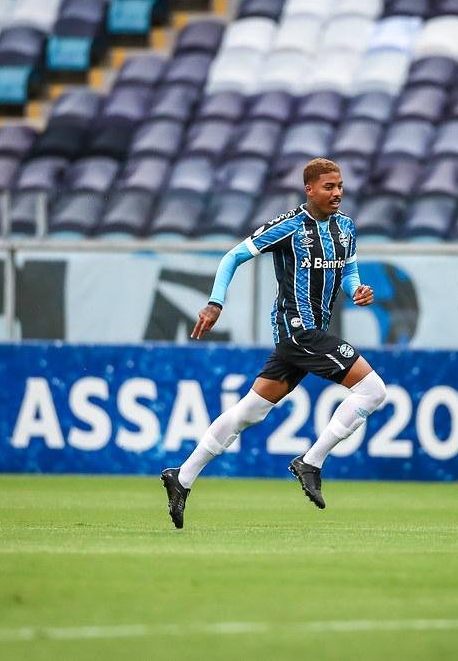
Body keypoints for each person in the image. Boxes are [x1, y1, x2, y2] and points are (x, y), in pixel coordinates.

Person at [161, 157, 387, 529]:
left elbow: (349, 273)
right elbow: (233, 256)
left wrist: (358, 291)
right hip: (299, 331)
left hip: (301, 340)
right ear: (309, 189)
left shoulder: (346, 228)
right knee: (374, 391)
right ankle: (311, 462)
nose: (337, 193)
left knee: (249, 413)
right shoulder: (290, 227)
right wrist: (216, 302)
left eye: (340, 186)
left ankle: (181, 477)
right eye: (328, 187)